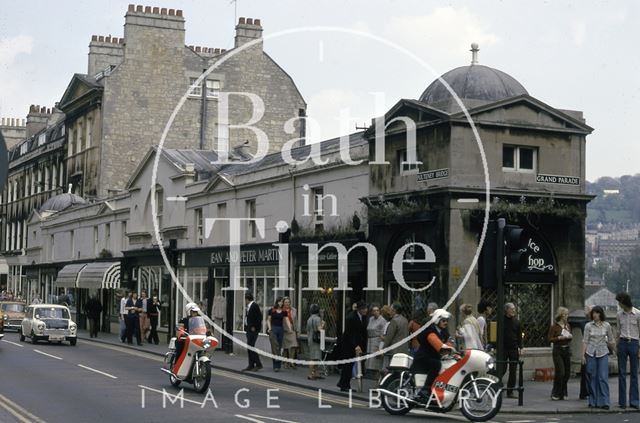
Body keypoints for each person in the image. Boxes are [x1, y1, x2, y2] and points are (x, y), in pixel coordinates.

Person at [411, 309, 455, 401]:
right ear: (437, 320)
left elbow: (450, 341)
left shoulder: (443, 331)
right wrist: (445, 348)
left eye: (447, 320)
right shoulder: (430, 330)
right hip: (424, 357)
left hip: (434, 356)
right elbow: (436, 342)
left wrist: (454, 351)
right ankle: (426, 389)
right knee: (437, 364)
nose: (446, 322)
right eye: (443, 320)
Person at [582, 305, 614, 410]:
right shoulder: (588, 326)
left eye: (597, 313)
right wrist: (583, 355)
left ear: (601, 314)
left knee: (603, 377)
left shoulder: (607, 325)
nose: (595, 315)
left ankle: (605, 401)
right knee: (592, 377)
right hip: (591, 353)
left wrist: (614, 350)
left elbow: (611, 339)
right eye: (593, 313)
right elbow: (585, 341)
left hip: (603, 353)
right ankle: (593, 401)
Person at [615, 292, 640, 409]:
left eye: (619, 302)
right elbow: (618, 331)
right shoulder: (619, 315)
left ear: (624, 302)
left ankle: (634, 401)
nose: (619, 304)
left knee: (634, 373)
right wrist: (616, 345)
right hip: (623, 343)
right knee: (622, 373)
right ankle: (622, 401)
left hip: (634, 343)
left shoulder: (638, 314)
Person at [337, 300, 368, 392]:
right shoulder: (351, 317)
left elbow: (361, 332)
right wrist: (356, 346)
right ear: (360, 309)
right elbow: (350, 334)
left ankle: (343, 383)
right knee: (348, 365)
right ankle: (344, 385)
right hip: (348, 344)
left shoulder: (363, 317)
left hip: (356, 344)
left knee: (350, 365)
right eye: (364, 308)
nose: (366, 310)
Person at [548, 306, 572, 400]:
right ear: (561, 316)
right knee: (560, 372)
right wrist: (558, 338)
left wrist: (569, 336)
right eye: (565, 314)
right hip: (558, 350)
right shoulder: (554, 326)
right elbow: (549, 339)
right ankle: (556, 393)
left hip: (566, 350)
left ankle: (563, 392)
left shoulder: (567, 326)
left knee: (567, 373)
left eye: (567, 314)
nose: (567, 316)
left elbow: (569, 338)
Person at [502, 302, 523, 398]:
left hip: (514, 348)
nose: (514, 310)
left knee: (513, 370)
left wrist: (521, 347)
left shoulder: (517, 322)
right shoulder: (501, 320)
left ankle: (510, 390)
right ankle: (498, 386)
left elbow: (519, 336)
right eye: (512, 309)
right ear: (506, 310)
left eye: (514, 308)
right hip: (503, 348)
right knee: (502, 368)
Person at [173, 302, 202, 367]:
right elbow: (179, 330)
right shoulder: (183, 320)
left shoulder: (199, 319)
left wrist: (208, 333)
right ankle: (176, 366)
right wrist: (182, 334)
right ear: (189, 312)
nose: (195, 313)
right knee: (180, 348)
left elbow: (203, 328)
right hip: (185, 339)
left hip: (195, 340)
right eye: (193, 312)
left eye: (196, 312)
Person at [382, 303, 409, 369]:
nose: (389, 312)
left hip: (395, 350)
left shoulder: (394, 321)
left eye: (390, 310)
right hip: (404, 349)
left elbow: (389, 337)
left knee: (393, 369)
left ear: (394, 310)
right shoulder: (405, 320)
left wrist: (383, 349)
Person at [243, 292, 263, 372]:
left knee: (251, 346)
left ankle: (258, 364)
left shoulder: (254, 306)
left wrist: (254, 327)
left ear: (247, 299)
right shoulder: (249, 306)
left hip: (253, 330)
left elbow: (259, 318)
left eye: (245, 299)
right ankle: (251, 365)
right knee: (249, 347)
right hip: (249, 329)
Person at [267, 297, 287, 372]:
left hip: (281, 329)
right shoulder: (272, 310)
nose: (281, 303)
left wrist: (290, 329)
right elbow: (268, 320)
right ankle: (275, 365)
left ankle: (278, 366)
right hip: (273, 329)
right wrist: (269, 328)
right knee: (275, 346)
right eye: (280, 302)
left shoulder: (284, 311)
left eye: (282, 302)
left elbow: (286, 321)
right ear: (277, 302)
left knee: (279, 346)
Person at [366, 304, 387, 374]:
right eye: (374, 311)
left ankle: (377, 375)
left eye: (377, 310)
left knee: (376, 360)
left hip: (377, 341)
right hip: (370, 340)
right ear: (372, 312)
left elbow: (384, 332)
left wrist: (381, 345)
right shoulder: (370, 319)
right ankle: (371, 373)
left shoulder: (382, 320)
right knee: (370, 360)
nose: (376, 312)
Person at [306, 303, 324, 380]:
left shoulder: (309, 319)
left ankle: (315, 373)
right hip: (316, 340)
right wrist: (323, 325)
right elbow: (319, 329)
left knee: (315, 357)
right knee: (313, 358)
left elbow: (308, 330)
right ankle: (310, 374)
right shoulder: (317, 319)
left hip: (310, 339)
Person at [579, 305, 593, 400]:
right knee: (585, 372)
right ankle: (584, 392)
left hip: (593, 349)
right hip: (587, 349)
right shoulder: (584, 323)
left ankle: (590, 392)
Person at [282, 297, 299, 369]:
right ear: (283, 303)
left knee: (294, 346)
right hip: (284, 330)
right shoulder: (281, 310)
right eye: (286, 302)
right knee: (285, 347)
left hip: (292, 329)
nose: (287, 303)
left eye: (288, 302)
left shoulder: (294, 310)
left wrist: (297, 330)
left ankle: (291, 362)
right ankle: (286, 362)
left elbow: (296, 321)